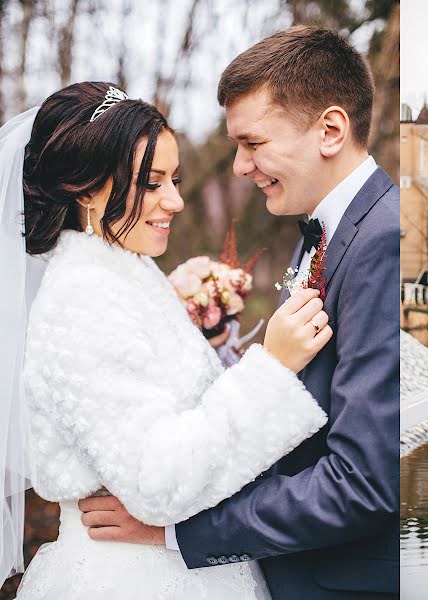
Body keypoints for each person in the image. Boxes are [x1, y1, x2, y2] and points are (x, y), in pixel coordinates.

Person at [78, 26, 401, 599]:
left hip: (337, 582)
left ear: (330, 130)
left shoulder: (381, 241)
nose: (238, 167)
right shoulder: (321, 230)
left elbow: (363, 486)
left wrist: (179, 531)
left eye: (253, 143)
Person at [1, 81, 331, 599]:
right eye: (151, 183)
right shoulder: (82, 299)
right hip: (131, 578)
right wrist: (273, 369)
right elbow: (156, 478)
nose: (175, 200)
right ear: (86, 189)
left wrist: (213, 339)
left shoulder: (127, 273)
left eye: (174, 179)